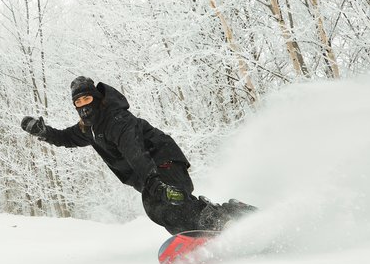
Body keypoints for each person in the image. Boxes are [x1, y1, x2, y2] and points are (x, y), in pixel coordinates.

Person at [20, 76, 256, 235]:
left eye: (87, 98)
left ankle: (221, 222)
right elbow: (67, 138)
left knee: (165, 204)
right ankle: (215, 221)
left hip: (161, 160)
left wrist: (155, 183)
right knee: (161, 209)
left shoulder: (116, 120)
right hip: (150, 172)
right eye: (78, 101)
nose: (83, 105)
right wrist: (44, 133)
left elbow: (136, 153)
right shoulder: (90, 128)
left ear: (97, 98)